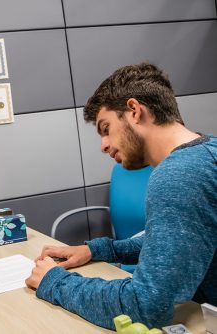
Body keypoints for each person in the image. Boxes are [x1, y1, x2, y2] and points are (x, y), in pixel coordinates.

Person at [25, 63, 216, 329]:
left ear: (135, 111)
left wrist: (55, 282)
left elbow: (146, 306)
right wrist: (98, 250)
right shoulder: (208, 151)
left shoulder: (180, 174)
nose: (103, 145)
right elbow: (180, 240)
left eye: (106, 128)